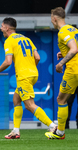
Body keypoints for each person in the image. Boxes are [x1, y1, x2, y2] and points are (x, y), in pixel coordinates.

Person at [0, 17, 56, 139]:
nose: (1, 28)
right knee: (16, 99)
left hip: (24, 76)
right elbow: (38, 57)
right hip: (33, 74)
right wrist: (30, 68)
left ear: (7, 28)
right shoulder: (26, 39)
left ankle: (53, 126)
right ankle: (15, 131)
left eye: (2, 26)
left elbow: (8, 62)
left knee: (29, 105)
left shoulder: (9, 41)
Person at [45, 7, 78, 139]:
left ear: (54, 18)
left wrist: (61, 63)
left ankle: (60, 132)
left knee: (61, 99)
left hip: (73, 70)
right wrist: (64, 53)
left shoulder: (62, 32)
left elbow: (74, 49)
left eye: (51, 19)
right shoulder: (74, 29)